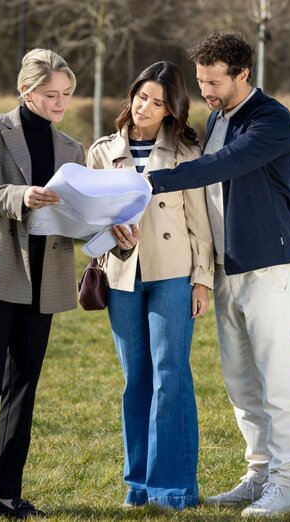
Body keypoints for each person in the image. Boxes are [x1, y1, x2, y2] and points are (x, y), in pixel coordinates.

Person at [145, 32, 290, 517]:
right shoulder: (217, 118)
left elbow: (224, 164)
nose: (206, 92)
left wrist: (152, 181)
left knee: (276, 378)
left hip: (267, 267)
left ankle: (285, 483)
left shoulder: (271, 120)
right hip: (224, 268)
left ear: (243, 75)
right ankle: (258, 474)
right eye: (201, 81)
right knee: (240, 381)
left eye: (215, 82)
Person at [0, 48, 84, 521]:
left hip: (44, 280)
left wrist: (105, 224)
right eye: (51, 94)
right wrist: (21, 195)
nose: (61, 103)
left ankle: (7, 496)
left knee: (23, 389)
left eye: (66, 93)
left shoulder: (72, 149)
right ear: (25, 91)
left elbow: (75, 214)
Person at [87, 61, 214, 510]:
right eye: (142, 96)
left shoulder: (185, 153)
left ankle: (174, 488)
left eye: (157, 102)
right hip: (121, 276)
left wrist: (202, 281)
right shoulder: (102, 152)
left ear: (170, 110)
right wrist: (107, 231)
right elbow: (89, 216)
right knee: (135, 379)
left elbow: (200, 223)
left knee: (170, 376)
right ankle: (139, 485)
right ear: (132, 96)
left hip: (174, 275)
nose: (145, 107)